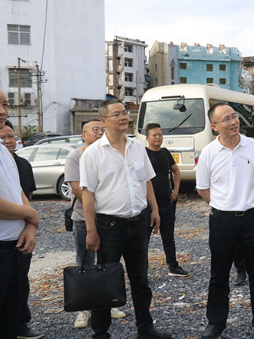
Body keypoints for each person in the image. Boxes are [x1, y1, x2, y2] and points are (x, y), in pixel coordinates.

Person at [79, 99, 170, 339]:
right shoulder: (93, 154)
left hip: (138, 223)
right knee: (105, 280)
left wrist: (155, 210)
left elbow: (146, 180)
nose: (123, 117)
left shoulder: (137, 147)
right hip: (109, 227)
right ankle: (100, 331)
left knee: (141, 279)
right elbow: (87, 194)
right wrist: (91, 230)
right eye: (117, 114)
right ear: (104, 121)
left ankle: (145, 328)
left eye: (125, 113)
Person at [196, 103, 254, 339]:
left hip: (252, 217)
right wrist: (223, 204)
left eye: (234, 117)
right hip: (222, 220)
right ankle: (216, 322)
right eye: (226, 119)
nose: (233, 122)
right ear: (214, 127)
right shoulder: (209, 153)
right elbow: (202, 189)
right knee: (219, 274)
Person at [0, 81, 39, 339]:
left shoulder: (1, 150)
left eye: (5, 104)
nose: (2, 110)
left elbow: (18, 193)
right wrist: (29, 215)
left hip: (13, 250)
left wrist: (30, 226)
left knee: (9, 325)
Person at [64, 120, 126, 329]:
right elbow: (76, 189)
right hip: (84, 219)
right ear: (83, 135)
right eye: (95, 130)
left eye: (102, 129)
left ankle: (109, 303)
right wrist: (99, 210)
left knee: (108, 264)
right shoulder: (76, 156)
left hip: (109, 221)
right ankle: (83, 309)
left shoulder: (109, 152)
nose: (100, 132)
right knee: (85, 263)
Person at [0, 120, 43, 339]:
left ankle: (21, 323)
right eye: (2, 137)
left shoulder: (23, 164)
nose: (7, 141)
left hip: (22, 232)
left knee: (21, 281)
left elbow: (28, 198)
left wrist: (29, 224)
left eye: (11, 137)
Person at [144, 123, 189, 277]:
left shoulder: (165, 152)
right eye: (154, 135)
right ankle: (142, 272)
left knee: (168, 237)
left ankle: (173, 266)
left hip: (166, 203)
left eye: (160, 135)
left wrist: (176, 190)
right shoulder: (143, 154)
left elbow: (176, 170)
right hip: (148, 206)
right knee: (143, 241)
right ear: (147, 138)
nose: (158, 137)